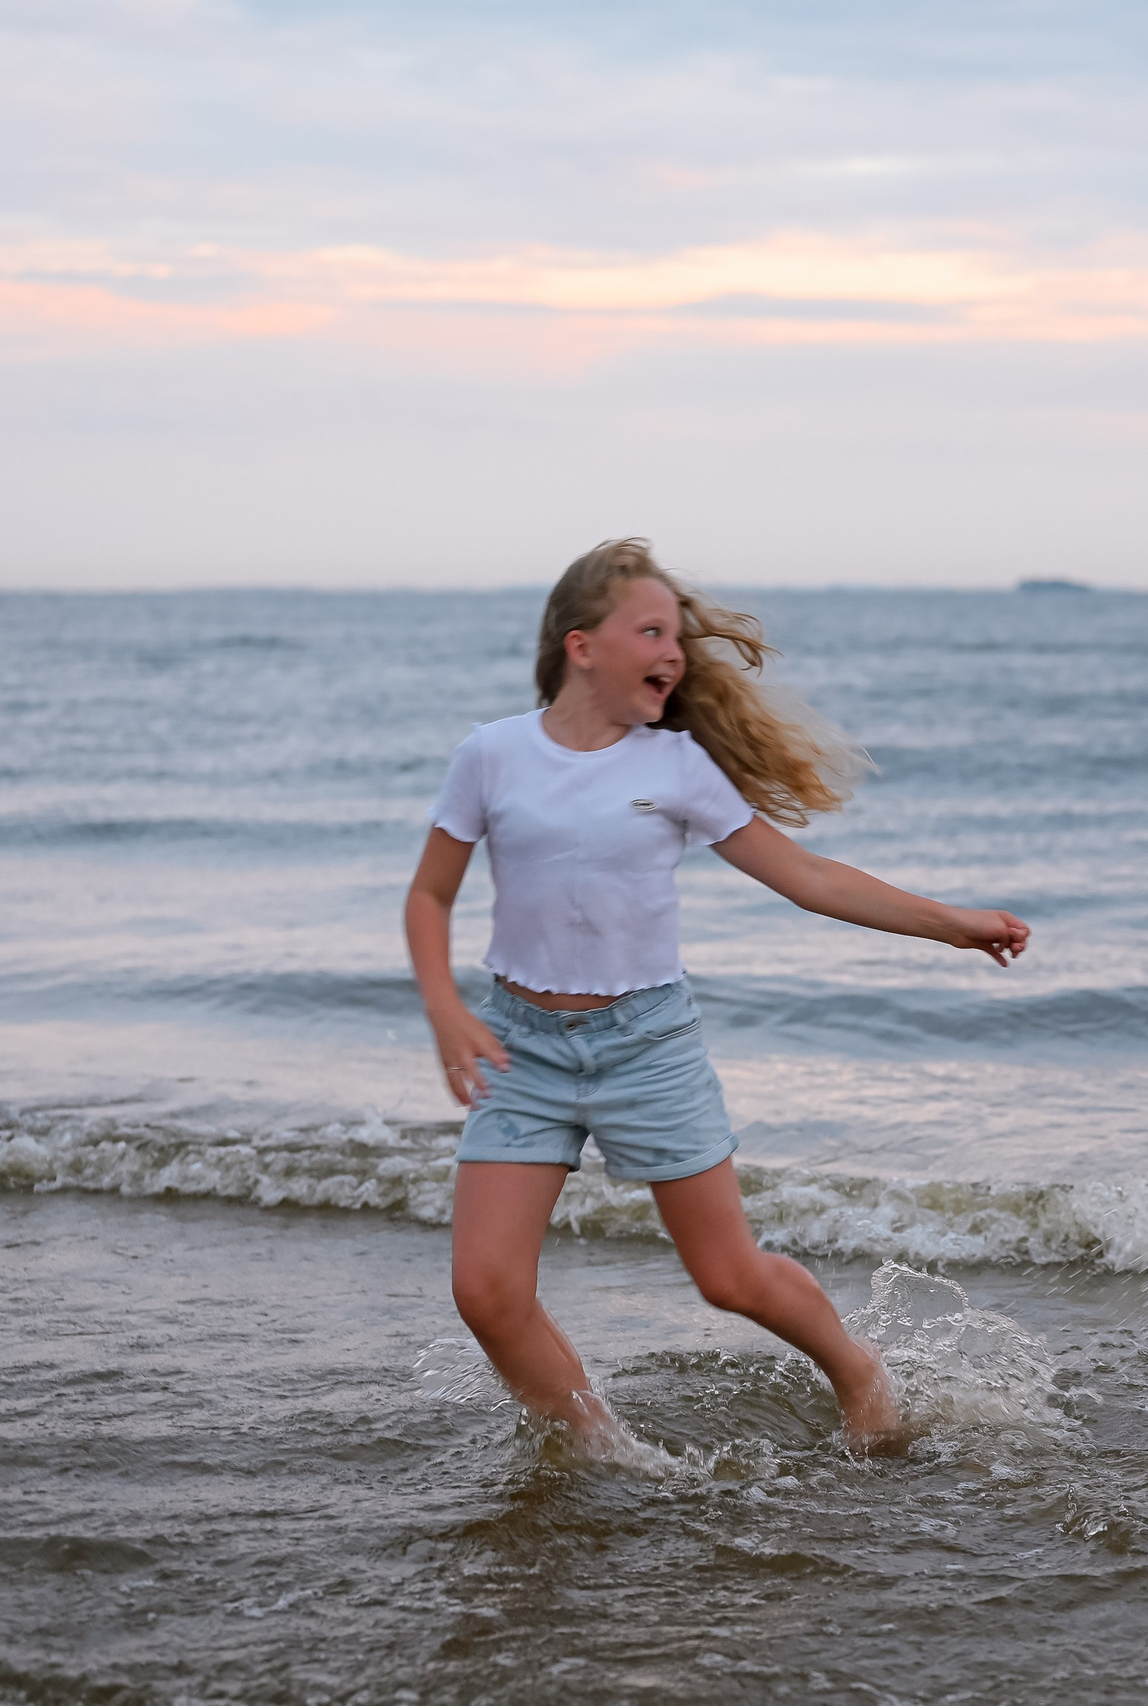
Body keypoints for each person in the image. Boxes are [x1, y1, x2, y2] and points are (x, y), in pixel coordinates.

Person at [405, 539, 1029, 1457]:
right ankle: (599, 1449)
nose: (674, 652)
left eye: (677, 636)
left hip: (646, 1046)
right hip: (520, 1048)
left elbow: (809, 877)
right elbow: (429, 895)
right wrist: (445, 1010)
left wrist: (952, 924)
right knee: (486, 1294)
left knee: (729, 1278)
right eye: (651, 632)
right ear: (583, 646)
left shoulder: (678, 766)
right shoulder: (492, 755)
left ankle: (859, 1371)